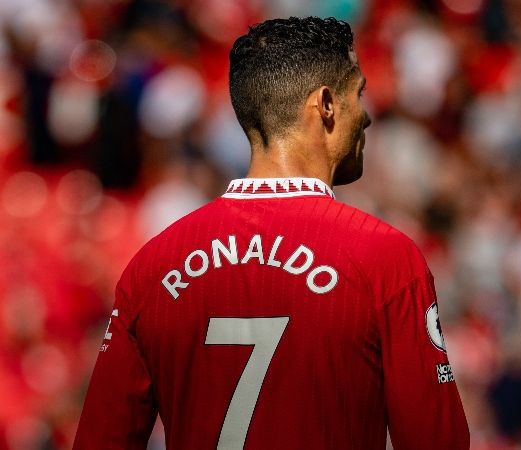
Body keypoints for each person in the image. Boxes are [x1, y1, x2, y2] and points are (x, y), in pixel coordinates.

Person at [73, 16, 469, 450]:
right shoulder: (385, 258)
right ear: (326, 104)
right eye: (358, 95)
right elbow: (438, 440)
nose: (368, 117)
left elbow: (99, 439)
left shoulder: (151, 268)